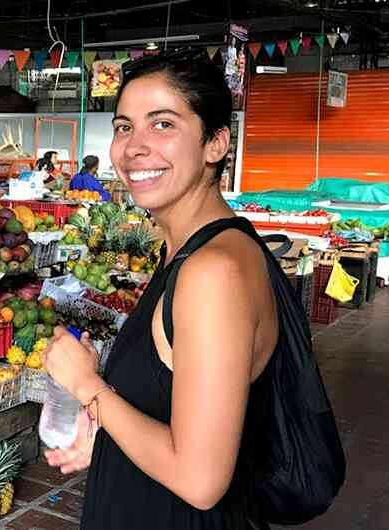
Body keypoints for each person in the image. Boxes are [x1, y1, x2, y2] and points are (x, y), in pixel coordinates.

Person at [41, 50, 279, 529]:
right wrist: (109, 434)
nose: (134, 147)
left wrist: (87, 386)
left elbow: (200, 480)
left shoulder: (212, 272)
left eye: (163, 124)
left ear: (215, 143)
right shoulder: (191, 251)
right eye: (124, 126)